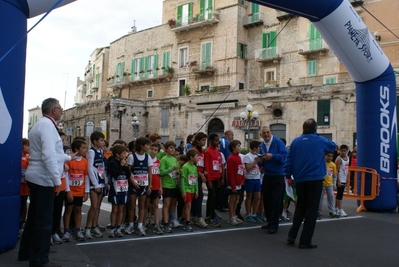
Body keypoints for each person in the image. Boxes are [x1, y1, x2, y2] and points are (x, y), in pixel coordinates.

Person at [18, 98, 72, 267]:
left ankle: (26, 252)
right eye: (60, 108)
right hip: (43, 179)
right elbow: (48, 155)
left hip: (36, 176)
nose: (62, 111)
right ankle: (40, 260)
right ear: (54, 110)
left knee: (34, 218)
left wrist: (70, 157)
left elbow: (51, 153)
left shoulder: (40, 125)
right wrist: (57, 180)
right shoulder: (48, 127)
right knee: (44, 222)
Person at [285, 118, 336, 248]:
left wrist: (288, 175)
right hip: (315, 178)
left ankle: (292, 235)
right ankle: (305, 240)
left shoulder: (295, 142)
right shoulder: (319, 140)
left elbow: (289, 160)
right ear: (315, 128)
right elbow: (332, 146)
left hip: (300, 179)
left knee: (300, 207)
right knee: (311, 210)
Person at [259, 126, 287, 234]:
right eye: (264, 133)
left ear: (271, 133)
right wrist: (260, 163)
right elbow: (261, 159)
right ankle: (270, 221)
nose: (266, 135)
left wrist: (272, 156)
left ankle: (274, 225)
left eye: (267, 132)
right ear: (261, 134)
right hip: (267, 175)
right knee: (267, 200)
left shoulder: (278, 142)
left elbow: (284, 157)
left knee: (275, 200)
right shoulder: (261, 145)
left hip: (278, 175)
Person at [63, 139, 90, 241]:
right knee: (68, 210)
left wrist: (86, 192)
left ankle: (77, 229)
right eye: (83, 148)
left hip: (80, 190)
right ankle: (66, 230)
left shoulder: (85, 162)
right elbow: (66, 175)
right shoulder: (69, 161)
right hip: (71, 190)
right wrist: (68, 191)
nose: (85, 150)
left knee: (78, 210)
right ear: (76, 149)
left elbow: (86, 176)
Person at [126, 137, 153, 236]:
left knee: (142, 206)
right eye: (147, 145)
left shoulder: (148, 157)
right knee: (132, 206)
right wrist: (133, 182)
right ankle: (131, 224)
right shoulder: (132, 157)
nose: (149, 147)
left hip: (144, 185)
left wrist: (150, 185)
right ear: (141, 146)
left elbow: (150, 172)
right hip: (134, 185)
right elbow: (128, 172)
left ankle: (140, 225)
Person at [84, 131, 107, 239]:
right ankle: (87, 227)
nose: (103, 142)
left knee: (98, 206)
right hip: (94, 183)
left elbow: (101, 167)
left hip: (101, 181)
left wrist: (105, 180)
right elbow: (89, 168)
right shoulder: (91, 152)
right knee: (93, 206)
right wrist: (95, 183)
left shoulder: (101, 152)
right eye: (101, 140)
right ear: (95, 141)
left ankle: (94, 225)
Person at [107, 144, 130, 238]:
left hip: (124, 188)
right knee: (115, 209)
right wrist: (121, 166)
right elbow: (115, 175)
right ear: (117, 154)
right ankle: (112, 227)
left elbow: (128, 175)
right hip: (115, 188)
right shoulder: (112, 163)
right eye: (124, 153)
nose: (125, 155)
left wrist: (125, 166)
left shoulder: (124, 162)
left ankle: (119, 227)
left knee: (121, 208)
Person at [160, 141, 179, 233]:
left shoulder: (174, 159)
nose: (173, 149)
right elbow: (161, 172)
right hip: (166, 184)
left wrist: (178, 172)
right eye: (171, 148)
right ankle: (165, 223)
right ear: (166, 149)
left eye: (174, 148)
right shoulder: (164, 159)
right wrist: (171, 169)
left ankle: (171, 219)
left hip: (173, 184)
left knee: (173, 204)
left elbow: (175, 171)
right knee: (166, 204)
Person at [204, 133, 223, 227]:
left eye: (218, 140)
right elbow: (207, 166)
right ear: (211, 141)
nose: (217, 142)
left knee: (215, 198)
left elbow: (219, 165)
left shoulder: (218, 152)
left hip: (217, 178)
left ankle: (211, 214)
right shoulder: (208, 152)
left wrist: (220, 178)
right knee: (211, 197)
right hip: (210, 179)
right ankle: (210, 216)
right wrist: (209, 180)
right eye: (215, 140)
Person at [190, 132, 208, 228]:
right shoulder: (194, 151)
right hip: (194, 176)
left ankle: (195, 215)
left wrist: (204, 172)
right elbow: (192, 165)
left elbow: (203, 164)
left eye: (205, 140)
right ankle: (197, 217)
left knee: (199, 196)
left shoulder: (203, 152)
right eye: (203, 140)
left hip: (200, 177)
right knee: (198, 196)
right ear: (197, 141)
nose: (204, 142)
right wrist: (200, 174)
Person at [226, 140, 245, 225]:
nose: (240, 147)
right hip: (233, 182)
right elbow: (230, 173)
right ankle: (231, 217)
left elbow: (240, 169)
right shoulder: (231, 158)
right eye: (238, 146)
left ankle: (234, 215)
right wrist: (233, 185)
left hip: (238, 182)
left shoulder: (239, 157)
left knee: (236, 199)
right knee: (232, 199)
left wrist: (242, 179)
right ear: (233, 148)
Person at [243, 140, 262, 223]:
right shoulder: (247, 156)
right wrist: (255, 161)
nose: (259, 149)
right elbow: (247, 168)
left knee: (258, 197)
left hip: (257, 178)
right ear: (254, 148)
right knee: (249, 196)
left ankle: (254, 214)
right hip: (249, 178)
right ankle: (248, 214)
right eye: (258, 147)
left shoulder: (258, 155)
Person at [180, 149, 199, 231]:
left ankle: (183, 218)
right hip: (187, 189)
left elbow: (196, 179)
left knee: (187, 206)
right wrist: (183, 191)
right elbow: (182, 180)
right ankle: (187, 223)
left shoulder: (194, 167)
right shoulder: (185, 167)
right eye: (196, 156)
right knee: (188, 206)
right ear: (191, 157)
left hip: (192, 189)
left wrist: (197, 190)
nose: (198, 158)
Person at [147, 143, 163, 234]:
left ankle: (157, 224)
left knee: (155, 205)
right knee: (146, 205)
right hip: (148, 185)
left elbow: (159, 175)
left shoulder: (158, 161)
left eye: (155, 150)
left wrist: (160, 187)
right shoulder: (146, 160)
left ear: (157, 152)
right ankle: (144, 221)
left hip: (156, 185)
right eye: (151, 149)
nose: (152, 151)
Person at [218, 130, 234, 212]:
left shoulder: (220, 141)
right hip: (224, 166)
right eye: (232, 135)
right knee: (224, 187)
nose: (233, 137)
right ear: (228, 135)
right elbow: (228, 156)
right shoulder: (226, 142)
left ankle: (219, 204)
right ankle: (222, 205)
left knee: (220, 187)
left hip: (218, 166)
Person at [318, 152, 338, 218]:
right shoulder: (322, 163)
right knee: (320, 198)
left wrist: (334, 184)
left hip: (330, 184)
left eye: (331, 156)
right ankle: (318, 210)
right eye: (328, 156)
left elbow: (334, 176)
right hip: (322, 183)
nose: (329, 158)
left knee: (331, 197)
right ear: (325, 156)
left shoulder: (333, 165)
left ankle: (332, 211)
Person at [335, 144, 349, 217]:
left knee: (339, 194)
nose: (343, 152)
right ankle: (340, 209)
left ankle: (336, 208)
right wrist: (338, 180)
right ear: (339, 151)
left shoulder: (347, 158)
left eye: (344, 151)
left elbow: (346, 169)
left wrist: (347, 178)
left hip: (344, 178)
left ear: (347, 151)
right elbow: (336, 170)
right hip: (340, 178)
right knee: (340, 195)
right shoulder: (339, 159)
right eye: (342, 151)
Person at [19, 138, 30, 237]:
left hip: (26, 188)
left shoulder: (28, 158)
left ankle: (23, 223)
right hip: (19, 188)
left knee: (24, 206)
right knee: (20, 206)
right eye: (27, 145)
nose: (28, 147)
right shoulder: (18, 158)